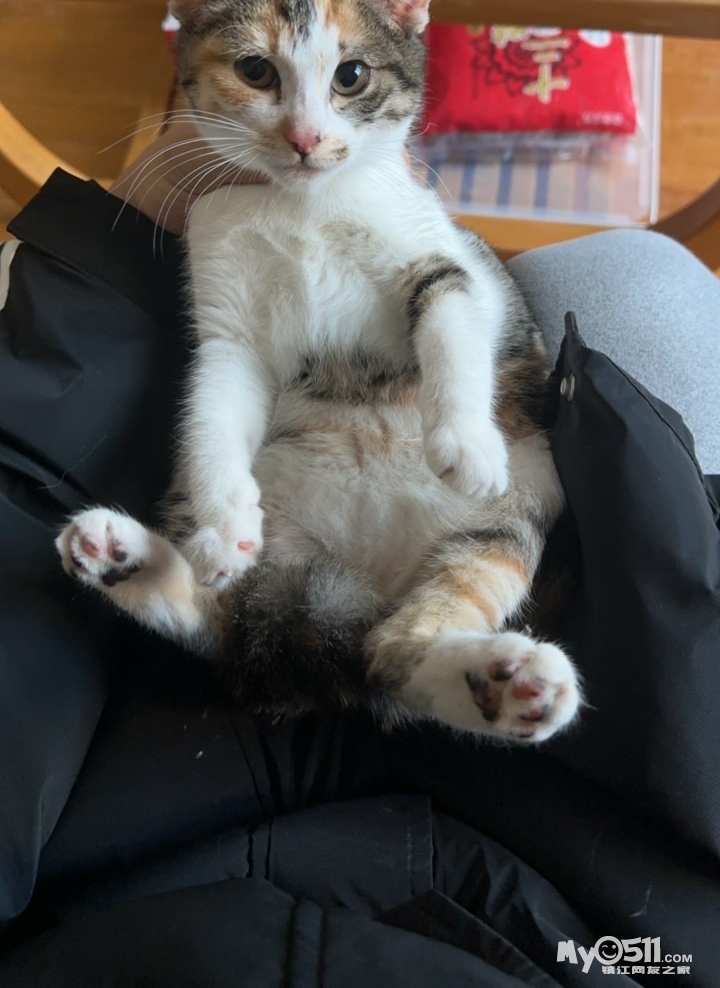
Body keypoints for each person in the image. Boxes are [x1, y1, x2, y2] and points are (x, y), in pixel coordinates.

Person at [1, 131, 719, 987]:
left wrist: (98, 274)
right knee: (638, 286)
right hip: (605, 898)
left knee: (566, 391)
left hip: (232, 843)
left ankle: (224, 610)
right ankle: (418, 648)